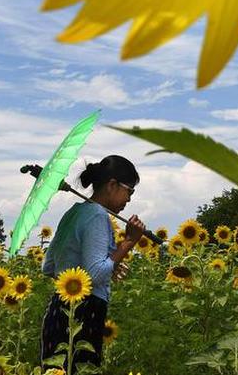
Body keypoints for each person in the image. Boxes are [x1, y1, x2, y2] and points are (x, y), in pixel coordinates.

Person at [41, 154, 146, 372]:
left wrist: (79, 278)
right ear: (112, 185)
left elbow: (49, 266)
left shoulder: (73, 213)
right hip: (84, 314)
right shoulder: (97, 215)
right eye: (129, 191)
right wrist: (128, 241)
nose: (129, 199)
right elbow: (96, 273)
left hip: (57, 311)